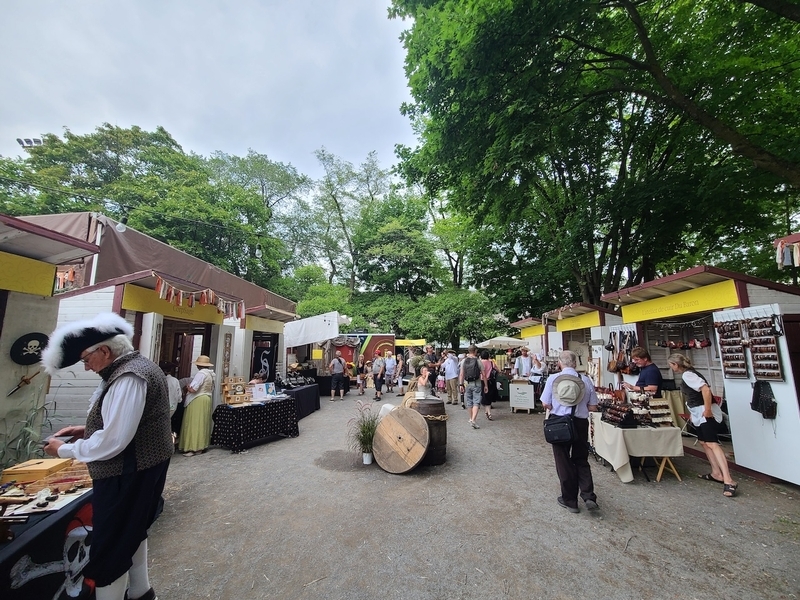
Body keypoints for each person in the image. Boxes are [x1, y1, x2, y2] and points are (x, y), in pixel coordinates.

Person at [41, 312, 172, 600]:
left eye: (86, 359)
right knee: (131, 533)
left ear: (104, 350)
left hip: (127, 473)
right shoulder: (134, 368)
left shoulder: (128, 376)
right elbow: (120, 424)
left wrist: (64, 450)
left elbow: (114, 440)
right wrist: (86, 430)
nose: (87, 367)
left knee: (111, 546)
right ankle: (140, 592)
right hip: (139, 468)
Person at [668, 353, 737, 497]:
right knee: (704, 442)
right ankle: (716, 473)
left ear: (675, 364)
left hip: (704, 412)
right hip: (698, 412)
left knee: (712, 443)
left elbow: (705, 390)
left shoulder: (688, 375)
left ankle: (729, 480)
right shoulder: (690, 374)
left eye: (671, 365)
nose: (671, 368)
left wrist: (707, 410)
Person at [540, 350, 600, 513]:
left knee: (563, 461)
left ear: (560, 363)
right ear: (575, 363)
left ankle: (570, 500)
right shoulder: (586, 380)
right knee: (581, 459)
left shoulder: (553, 379)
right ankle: (588, 495)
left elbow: (546, 403)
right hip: (580, 423)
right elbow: (593, 406)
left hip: (559, 423)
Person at [179, 355, 215, 456]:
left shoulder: (201, 374)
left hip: (198, 398)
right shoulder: (211, 374)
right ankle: (201, 446)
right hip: (206, 398)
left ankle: (193, 447)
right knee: (202, 422)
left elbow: (193, 389)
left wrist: (187, 387)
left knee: (194, 422)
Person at [459, 345, 488, 429]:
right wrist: (486, 385)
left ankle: (471, 418)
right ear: (475, 351)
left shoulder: (464, 361)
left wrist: (461, 384)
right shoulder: (478, 361)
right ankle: (473, 420)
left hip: (467, 383)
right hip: (477, 383)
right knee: (476, 402)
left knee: (469, 402)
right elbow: (484, 374)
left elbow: (461, 374)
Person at [480, 349, 499, 420]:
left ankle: (488, 412)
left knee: (485, 396)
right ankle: (488, 412)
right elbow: (498, 370)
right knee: (488, 397)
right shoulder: (491, 362)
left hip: (482, 381)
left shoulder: (480, 363)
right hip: (491, 381)